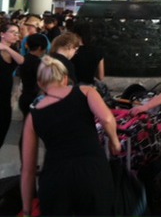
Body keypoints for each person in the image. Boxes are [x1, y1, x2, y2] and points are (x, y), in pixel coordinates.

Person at [21, 55, 121, 216]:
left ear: (40, 83)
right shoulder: (86, 91)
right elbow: (107, 119)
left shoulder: (33, 116)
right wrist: (114, 142)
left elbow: (28, 169)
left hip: (55, 178)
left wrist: (26, 209)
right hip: (92, 172)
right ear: (66, 78)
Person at [0, 23, 24, 149]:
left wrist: (6, 48)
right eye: (12, 32)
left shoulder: (13, 50)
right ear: (2, 34)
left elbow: (22, 61)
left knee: (4, 126)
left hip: (5, 95)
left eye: (17, 32)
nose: (16, 35)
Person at [18, 33, 48, 118]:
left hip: (24, 96)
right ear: (40, 48)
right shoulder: (38, 63)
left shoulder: (23, 59)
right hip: (34, 98)